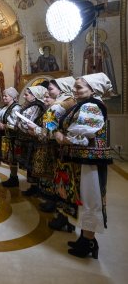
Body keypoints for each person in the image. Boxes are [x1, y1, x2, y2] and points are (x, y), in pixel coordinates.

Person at [54, 73, 113, 259]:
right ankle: (85, 238)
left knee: (90, 199)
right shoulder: (84, 105)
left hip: (90, 162)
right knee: (84, 198)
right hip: (83, 160)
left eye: (79, 87)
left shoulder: (92, 106)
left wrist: (63, 138)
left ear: (93, 89)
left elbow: (83, 135)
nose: (74, 90)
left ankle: (89, 242)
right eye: (75, 86)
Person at [29, 77, 76, 214]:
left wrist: (36, 130)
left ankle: (60, 210)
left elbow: (49, 129)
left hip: (58, 146)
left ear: (61, 89)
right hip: (63, 146)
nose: (48, 93)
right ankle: (59, 208)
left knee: (60, 178)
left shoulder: (59, 105)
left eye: (50, 89)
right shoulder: (68, 101)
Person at [15, 85, 47, 195]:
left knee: (33, 163)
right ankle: (33, 186)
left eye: (26, 94)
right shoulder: (30, 105)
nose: (24, 96)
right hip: (28, 138)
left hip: (33, 138)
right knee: (30, 164)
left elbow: (27, 122)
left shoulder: (37, 106)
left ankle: (36, 188)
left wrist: (19, 124)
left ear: (35, 96)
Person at [0, 87, 21, 187]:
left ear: (12, 97)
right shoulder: (5, 107)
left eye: (6, 96)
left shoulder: (16, 108)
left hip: (12, 137)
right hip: (6, 135)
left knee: (13, 158)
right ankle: (12, 177)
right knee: (10, 159)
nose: (4, 97)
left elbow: (15, 124)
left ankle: (14, 178)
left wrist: (4, 125)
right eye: (3, 95)